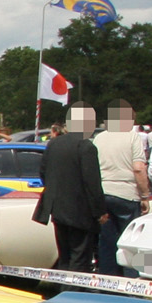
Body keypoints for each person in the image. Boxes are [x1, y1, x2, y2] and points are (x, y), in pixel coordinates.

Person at [33, 107, 105, 272]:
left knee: (64, 256)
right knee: (80, 258)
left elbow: (43, 173)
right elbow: (92, 183)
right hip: (80, 212)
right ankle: (73, 293)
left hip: (57, 209)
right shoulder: (86, 147)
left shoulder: (54, 144)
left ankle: (62, 291)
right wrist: (100, 211)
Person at [93, 102, 152, 276]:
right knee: (128, 243)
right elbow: (139, 168)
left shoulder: (99, 138)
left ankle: (108, 281)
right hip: (126, 194)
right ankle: (130, 281)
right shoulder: (132, 137)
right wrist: (145, 195)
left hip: (103, 193)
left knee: (106, 242)